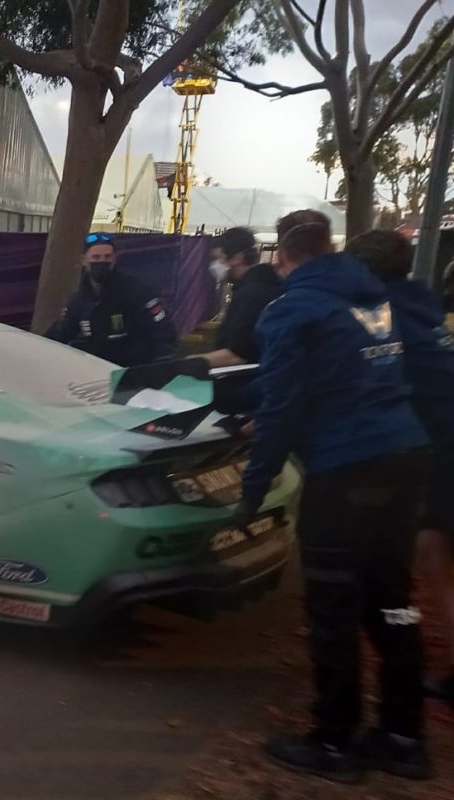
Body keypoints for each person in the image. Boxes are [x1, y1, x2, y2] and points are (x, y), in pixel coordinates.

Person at [235, 210, 432, 783]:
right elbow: (344, 373)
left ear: (283, 255)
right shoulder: (374, 296)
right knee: (393, 601)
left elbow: (280, 407)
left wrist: (254, 488)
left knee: (333, 608)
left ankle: (333, 742)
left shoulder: (293, 307)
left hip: (347, 471)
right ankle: (403, 738)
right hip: (405, 455)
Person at [346, 229, 454, 708]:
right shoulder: (421, 302)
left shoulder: (381, 314)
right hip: (439, 444)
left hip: (439, 446)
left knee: (413, 565)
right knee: (431, 550)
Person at [46, 232, 178, 367]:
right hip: (97, 372)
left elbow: (163, 333)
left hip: (133, 372)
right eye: (96, 257)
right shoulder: (78, 302)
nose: (102, 262)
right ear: (84, 260)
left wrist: (161, 366)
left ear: (114, 259)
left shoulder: (137, 292)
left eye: (107, 257)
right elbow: (60, 335)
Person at [203, 227, 281, 367]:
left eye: (217, 259)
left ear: (237, 258)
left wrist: (191, 362)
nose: (214, 266)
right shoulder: (264, 286)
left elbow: (238, 354)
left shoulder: (251, 295)